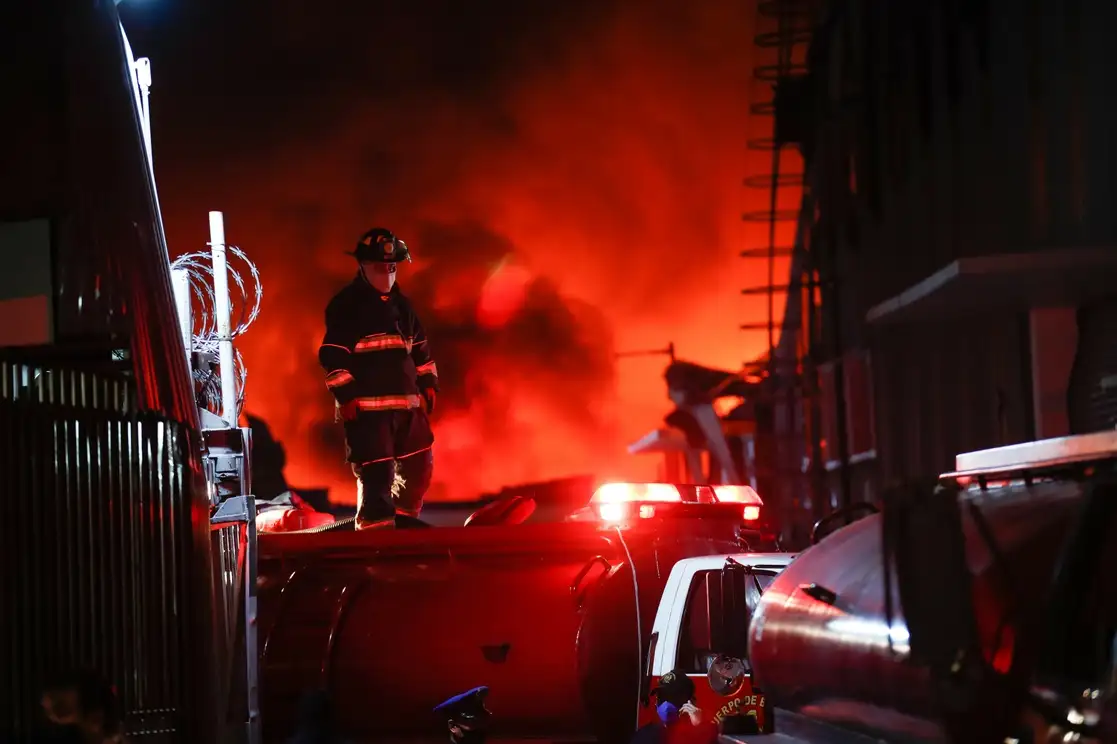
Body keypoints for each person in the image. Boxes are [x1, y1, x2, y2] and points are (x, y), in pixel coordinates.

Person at [318, 227, 440, 530]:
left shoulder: (403, 308)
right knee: (377, 478)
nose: (387, 273)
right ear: (363, 266)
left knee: (419, 467)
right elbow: (332, 354)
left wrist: (428, 383)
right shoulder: (347, 306)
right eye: (379, 267)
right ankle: (375, 535)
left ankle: (405, 526)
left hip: (407, 410)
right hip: (368, 415)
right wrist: (346, 396)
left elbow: (421, 350)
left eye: (392, 267)